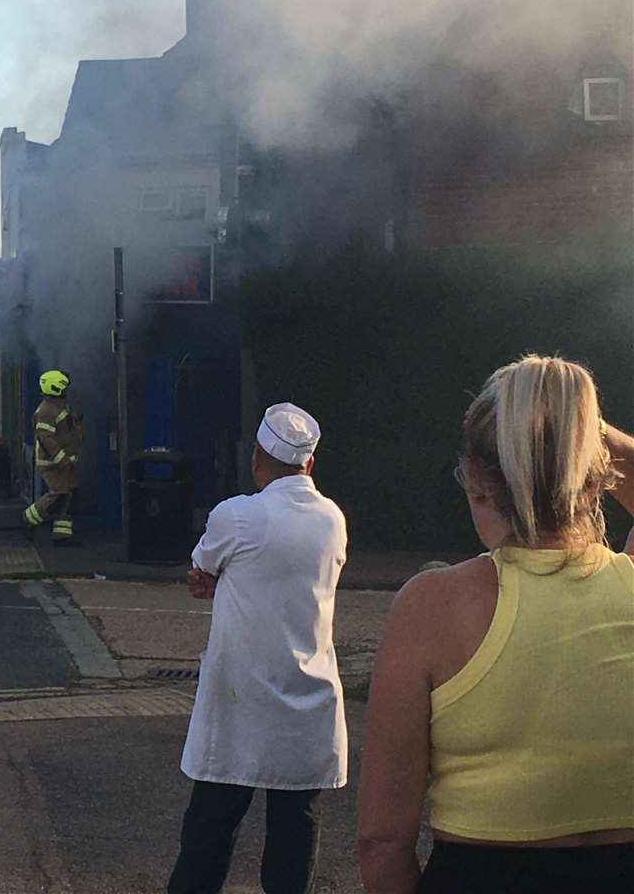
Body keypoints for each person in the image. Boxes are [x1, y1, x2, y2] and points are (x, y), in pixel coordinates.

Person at [357, 356, 634, 894]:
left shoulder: (431, 606)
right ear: (598, 477)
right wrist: (579, 427)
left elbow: (384, 841)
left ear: (479, 484)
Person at [168, 402, 347, 894]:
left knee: (211, 827)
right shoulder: (333, 519)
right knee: (295, 829)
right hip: (307, 699)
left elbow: (203, 567)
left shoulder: (237, 516)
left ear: (256, 459)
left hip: (239, 701)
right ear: (308, 464)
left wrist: (213, 581)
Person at [23, 368, 83, 547]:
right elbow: (46, 438)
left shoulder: (59, 406)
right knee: (58, 495)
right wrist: (61, 458)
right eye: (63, 387)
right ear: (56, 388)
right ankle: (28, 519)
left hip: (66, 461)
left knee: (69, 495)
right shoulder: (47, 410)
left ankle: (62, 534)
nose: (66, 391)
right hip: (53, 463)